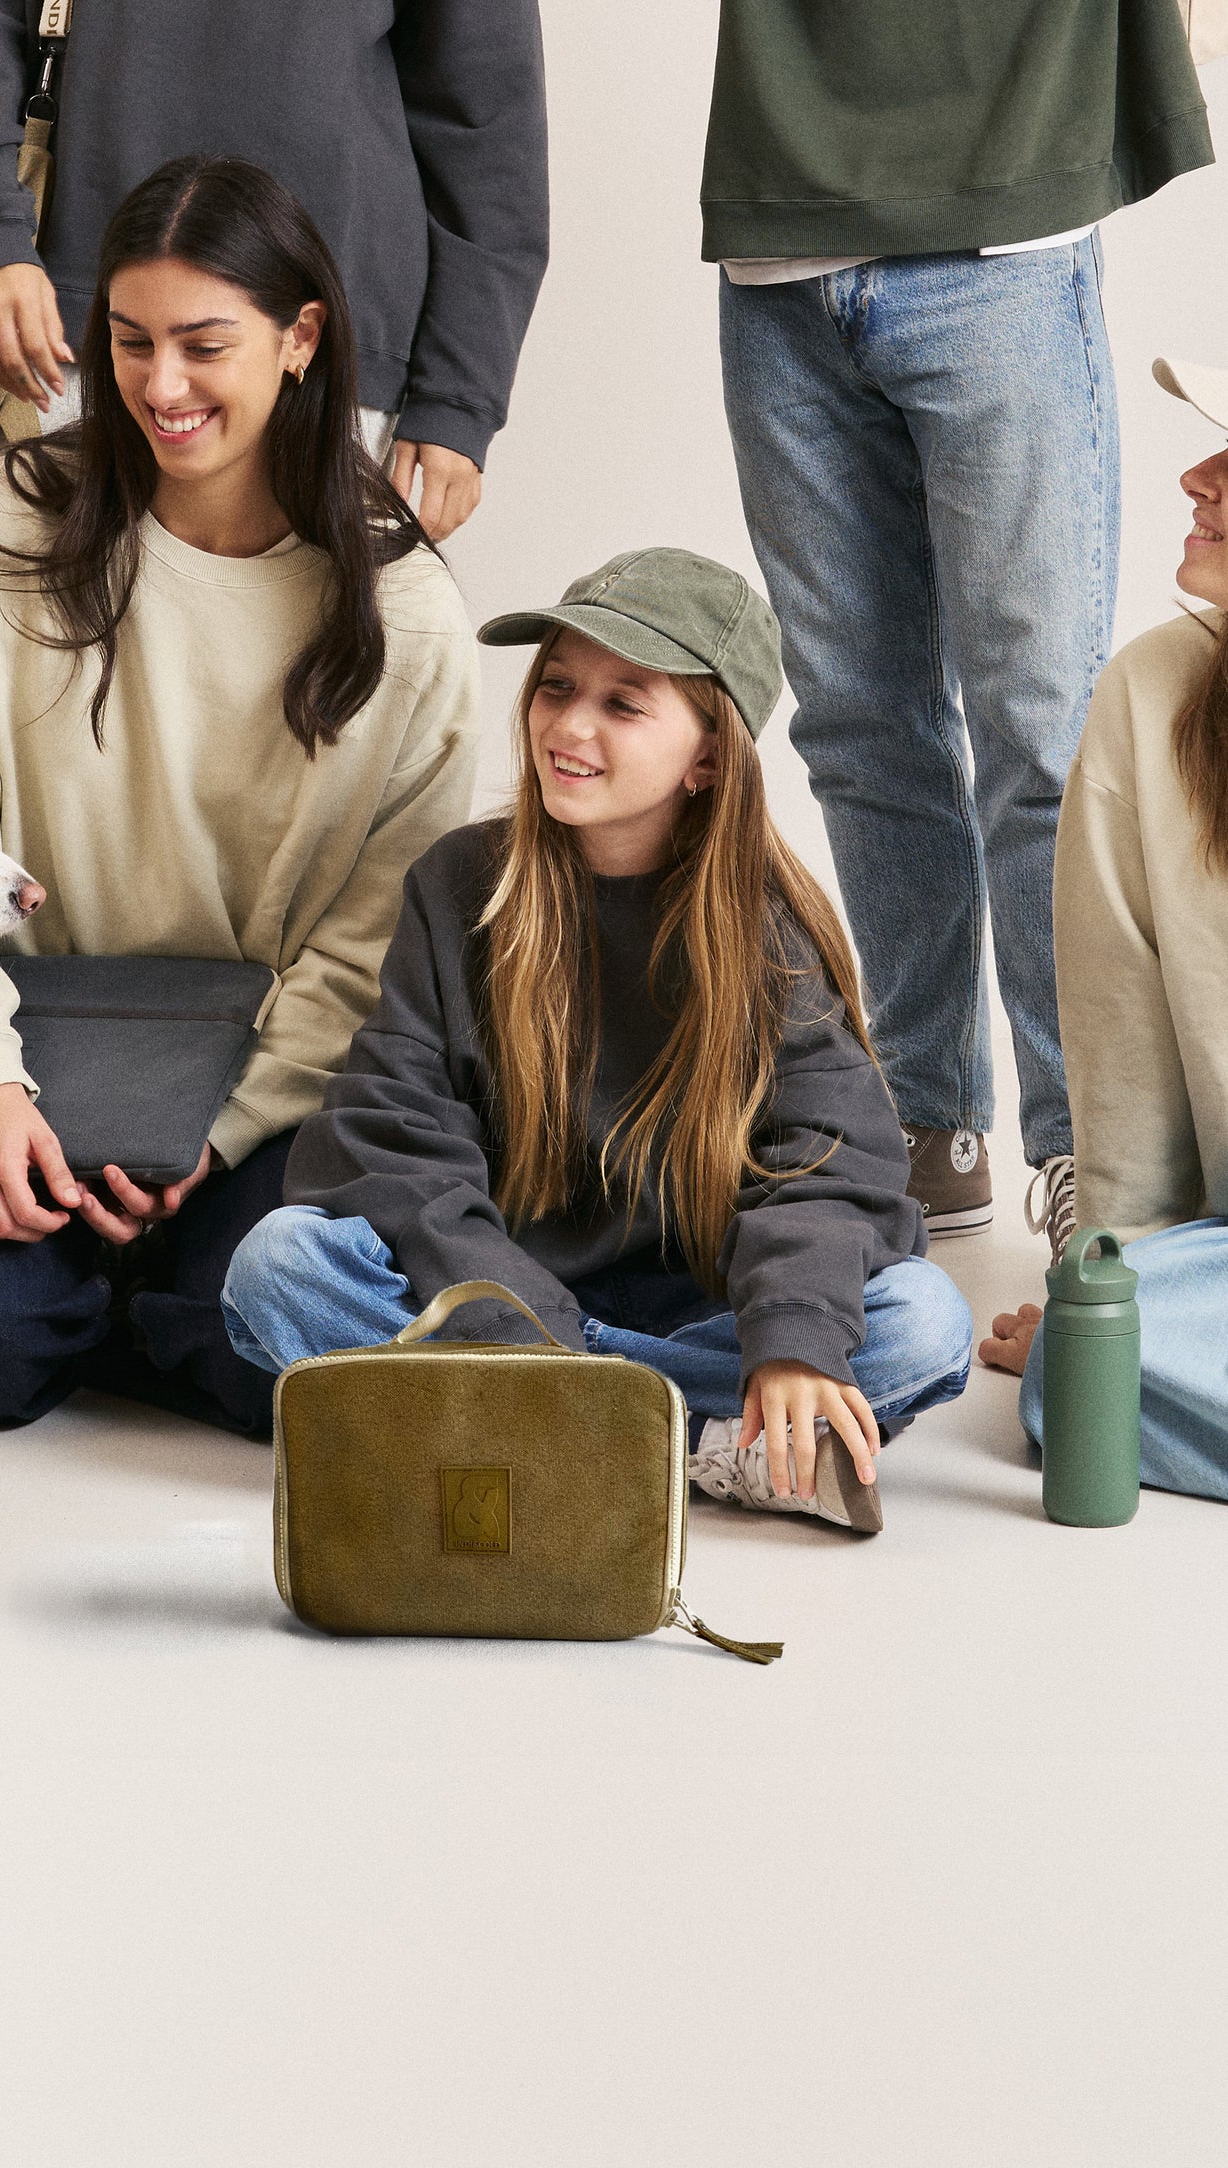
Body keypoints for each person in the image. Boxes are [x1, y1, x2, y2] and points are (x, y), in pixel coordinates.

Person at [0, 155, 480, 1436]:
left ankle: (104, 1297)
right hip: (24, 1054)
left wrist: (226, 1126)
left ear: (302, 339)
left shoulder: (402, 607)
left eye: (204, 344)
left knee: (277, 1365)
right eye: (128, 343)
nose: (160, 386)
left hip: (260, 1088)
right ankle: (58, 1296)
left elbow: (377, 930)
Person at [221, 550, 974, 1530]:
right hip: (497, 1302)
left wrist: (788, 1338)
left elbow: (830, 1158)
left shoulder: (767, 931)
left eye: (624, 703)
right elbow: (393, 1133)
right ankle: (690, 1443)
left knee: (922, 1319)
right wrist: (511, 1327)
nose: (569, 725)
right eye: (558, 686)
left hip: (708, 1311)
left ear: (707, 754)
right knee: (277, 1262)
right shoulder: (459, 886)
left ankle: (549, 1426)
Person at [706, 0, 1212, 1251]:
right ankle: (929, 1118)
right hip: (776, 250)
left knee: (1042, 736)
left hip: (1000, 242)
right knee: (858, 727)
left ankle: (1080, 1153)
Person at [0, 0, 549, 538]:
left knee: (309, 676)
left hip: (323, 364)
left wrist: (458, 399)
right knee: (34, 668)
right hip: (78, 346)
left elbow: (490, 131)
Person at [982, 356, 1228, 1501]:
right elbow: (1121, 1064)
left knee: (1086, 1373)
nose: (1195, 474)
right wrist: (1108, 1301)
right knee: (1081, 1366)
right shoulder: (1150, 695)